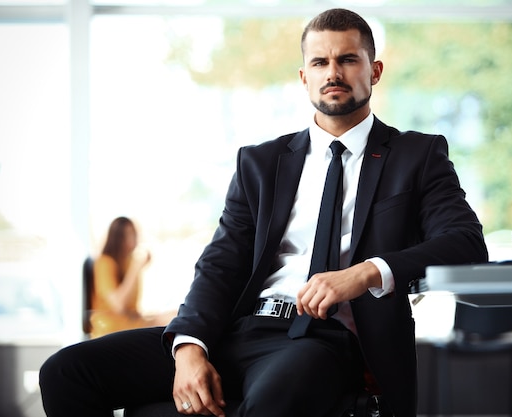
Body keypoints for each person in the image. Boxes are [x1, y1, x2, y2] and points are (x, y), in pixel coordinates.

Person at [39, 8, 488, 417]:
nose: (333, 72)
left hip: (323, 340)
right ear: (303, 77)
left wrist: (365, 272)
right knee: (66, 371)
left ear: (374, 70)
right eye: (320, 63)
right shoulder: (260, 163)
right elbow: (220, 264)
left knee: (273, 401)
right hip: (238, 330)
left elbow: (466, 242)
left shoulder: (417, 154)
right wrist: (190, 347)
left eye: (348, 60)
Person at [89, 216, 176, 338]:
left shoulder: (128, 262)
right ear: (117, 238)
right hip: (110, 327)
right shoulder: (105, 263)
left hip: (130, 322)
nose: (134, 240)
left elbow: (131, 310)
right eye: (129, 235)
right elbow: (119, 306)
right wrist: (135, 269)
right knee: (173, 321)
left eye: (134, 234)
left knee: (177, 315)